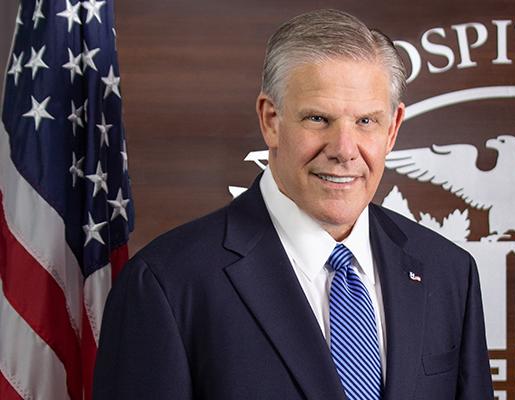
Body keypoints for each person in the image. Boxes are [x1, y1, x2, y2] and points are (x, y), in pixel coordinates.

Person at [93, 9, 493, 400]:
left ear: (392, 129)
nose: (344, 150)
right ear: (271, 120)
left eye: (366, 121)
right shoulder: (168, 283)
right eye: (318, 119)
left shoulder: (449, 274)